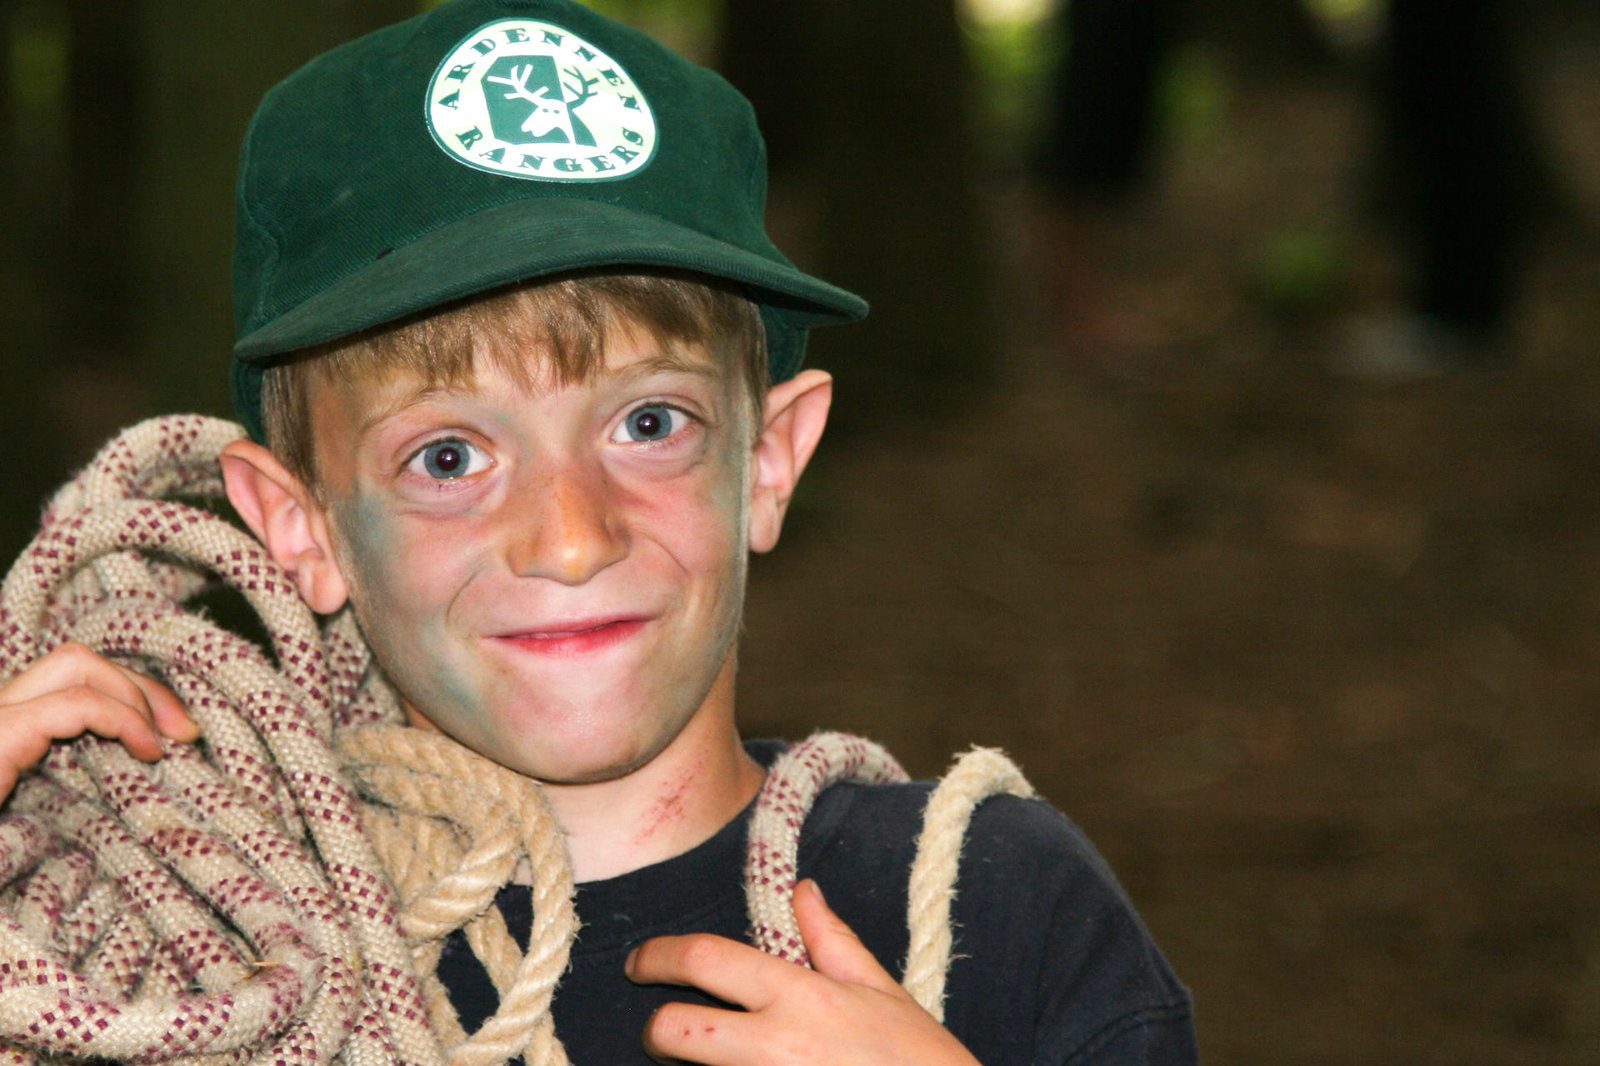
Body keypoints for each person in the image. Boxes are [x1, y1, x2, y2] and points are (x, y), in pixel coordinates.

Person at [0, 1, 1195, 1061]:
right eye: (448, 456)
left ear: (769, 461)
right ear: (298, 524)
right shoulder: (184, 944)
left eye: (649, 422)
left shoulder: (1001, 910)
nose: (569, 539)